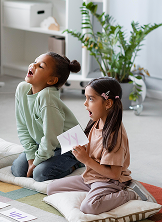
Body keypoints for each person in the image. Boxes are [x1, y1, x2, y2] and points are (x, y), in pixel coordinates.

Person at [47, 77, 156, 214]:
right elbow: (94, 148)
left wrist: (86, 159)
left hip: (110, 181)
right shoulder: (96, 122)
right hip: (91, 176)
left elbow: (114, 174)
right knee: (51, 188)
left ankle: (131, 193)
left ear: (108, 103)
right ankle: (95, 191)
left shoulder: (114, 135)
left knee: (89, 207)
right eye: (86, 98)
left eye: (91, 99)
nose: (85, 104)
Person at [11, 52, 83, 182]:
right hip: (46, 144)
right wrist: (31, 157)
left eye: (40, 66)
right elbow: (22, 127)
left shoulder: (47, 97)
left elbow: (51, 137)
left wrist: (36, 162)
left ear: (51, 80)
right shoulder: (22, 89)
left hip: (71, 146)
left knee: (40, 174)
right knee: (17, 170)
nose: (33, 65)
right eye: (35, 61)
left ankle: (76, 164)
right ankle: (46, 158)